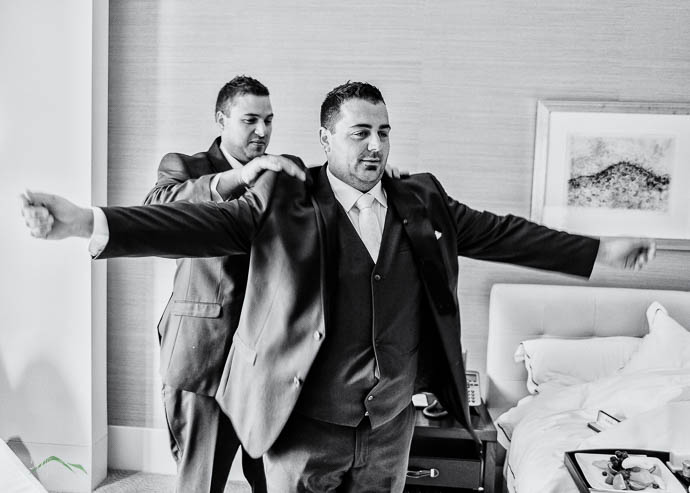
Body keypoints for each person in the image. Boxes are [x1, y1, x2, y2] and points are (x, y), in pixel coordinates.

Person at [21, 81, 656, 493]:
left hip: (389, 426)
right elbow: (193, 223)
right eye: (360, 132)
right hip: (305, 423)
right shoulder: (287, 198)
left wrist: (597, 250)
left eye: (383, 132)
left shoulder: (423, 199)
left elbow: (503, 234)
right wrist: (86, 221)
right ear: (326, 138)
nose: (375, 144)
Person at [141, 75, 279, 493]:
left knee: (276, 480)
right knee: (201, 483)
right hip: (203, 353)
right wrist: (234, 180)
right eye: (250, 119)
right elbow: (157, 211)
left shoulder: (281, 177)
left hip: (268, 359)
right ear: (221, 119)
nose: (263, 131)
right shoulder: (185, 167)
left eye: (269, 120)